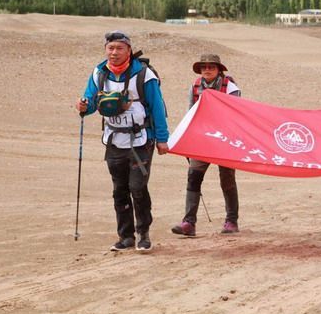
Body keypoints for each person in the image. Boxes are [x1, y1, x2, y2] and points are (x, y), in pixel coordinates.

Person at [75, 30, 169, 252]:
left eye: (119, 48)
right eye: (110, 48)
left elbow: (157, 108)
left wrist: (162, 139)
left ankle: (143, 234)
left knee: (137, 187)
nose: (114, 52)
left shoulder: (145, 75)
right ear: (106, 50)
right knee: (119, 190)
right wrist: (82, 107)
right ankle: (125, 237)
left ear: (129, 50)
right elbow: (90, 103)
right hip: (114, 139)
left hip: (140, 141)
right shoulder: (99, 73)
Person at [171, 54, 241, 236]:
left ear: (219, 69)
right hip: (203, 139)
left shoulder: (231, 87)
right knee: (193, 176)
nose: (207, 70)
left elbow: (236, 113)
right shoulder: (194, 86)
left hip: (225, 140)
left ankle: (231, 221)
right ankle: (188, 223)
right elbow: (190, 113)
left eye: (211, 67)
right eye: (204, 67)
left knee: (227, 179)